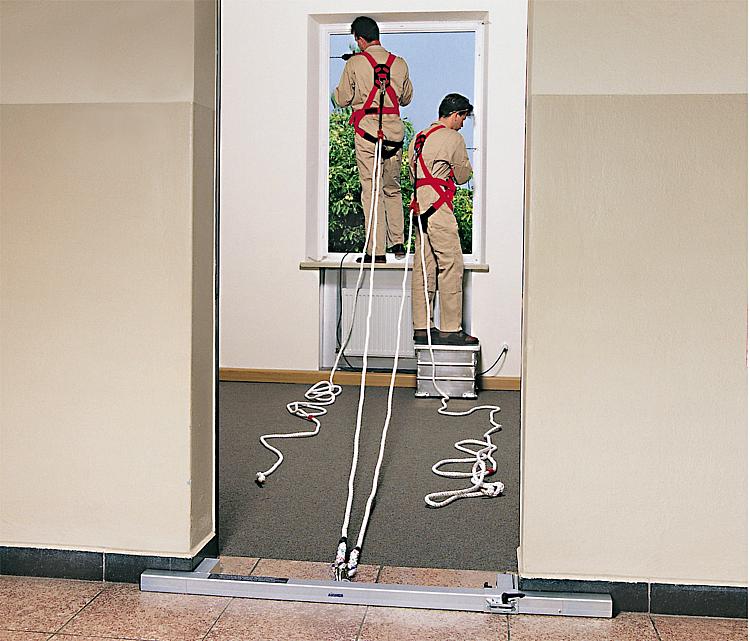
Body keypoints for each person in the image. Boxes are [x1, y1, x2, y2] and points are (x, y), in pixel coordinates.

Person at [334, 16, 413, 262]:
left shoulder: (355, 63)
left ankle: (376, 251)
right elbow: (406, 98)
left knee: (371, 189)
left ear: (359, 39)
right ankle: (398, 243)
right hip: (394, 136)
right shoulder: (399, 63)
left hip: (367, 133)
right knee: (392, 188)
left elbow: (342, 99)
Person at [408, 93, 478, 346]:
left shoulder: (418, 138)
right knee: (451, 264)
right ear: (456, 114)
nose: (463, 123)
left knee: (424, 266)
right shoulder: (453, 138)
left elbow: (413, 174)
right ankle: (450, 328)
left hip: (419, 207)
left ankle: (422, 326)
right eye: (463, 118)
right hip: (438, 207)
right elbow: (462, 176)